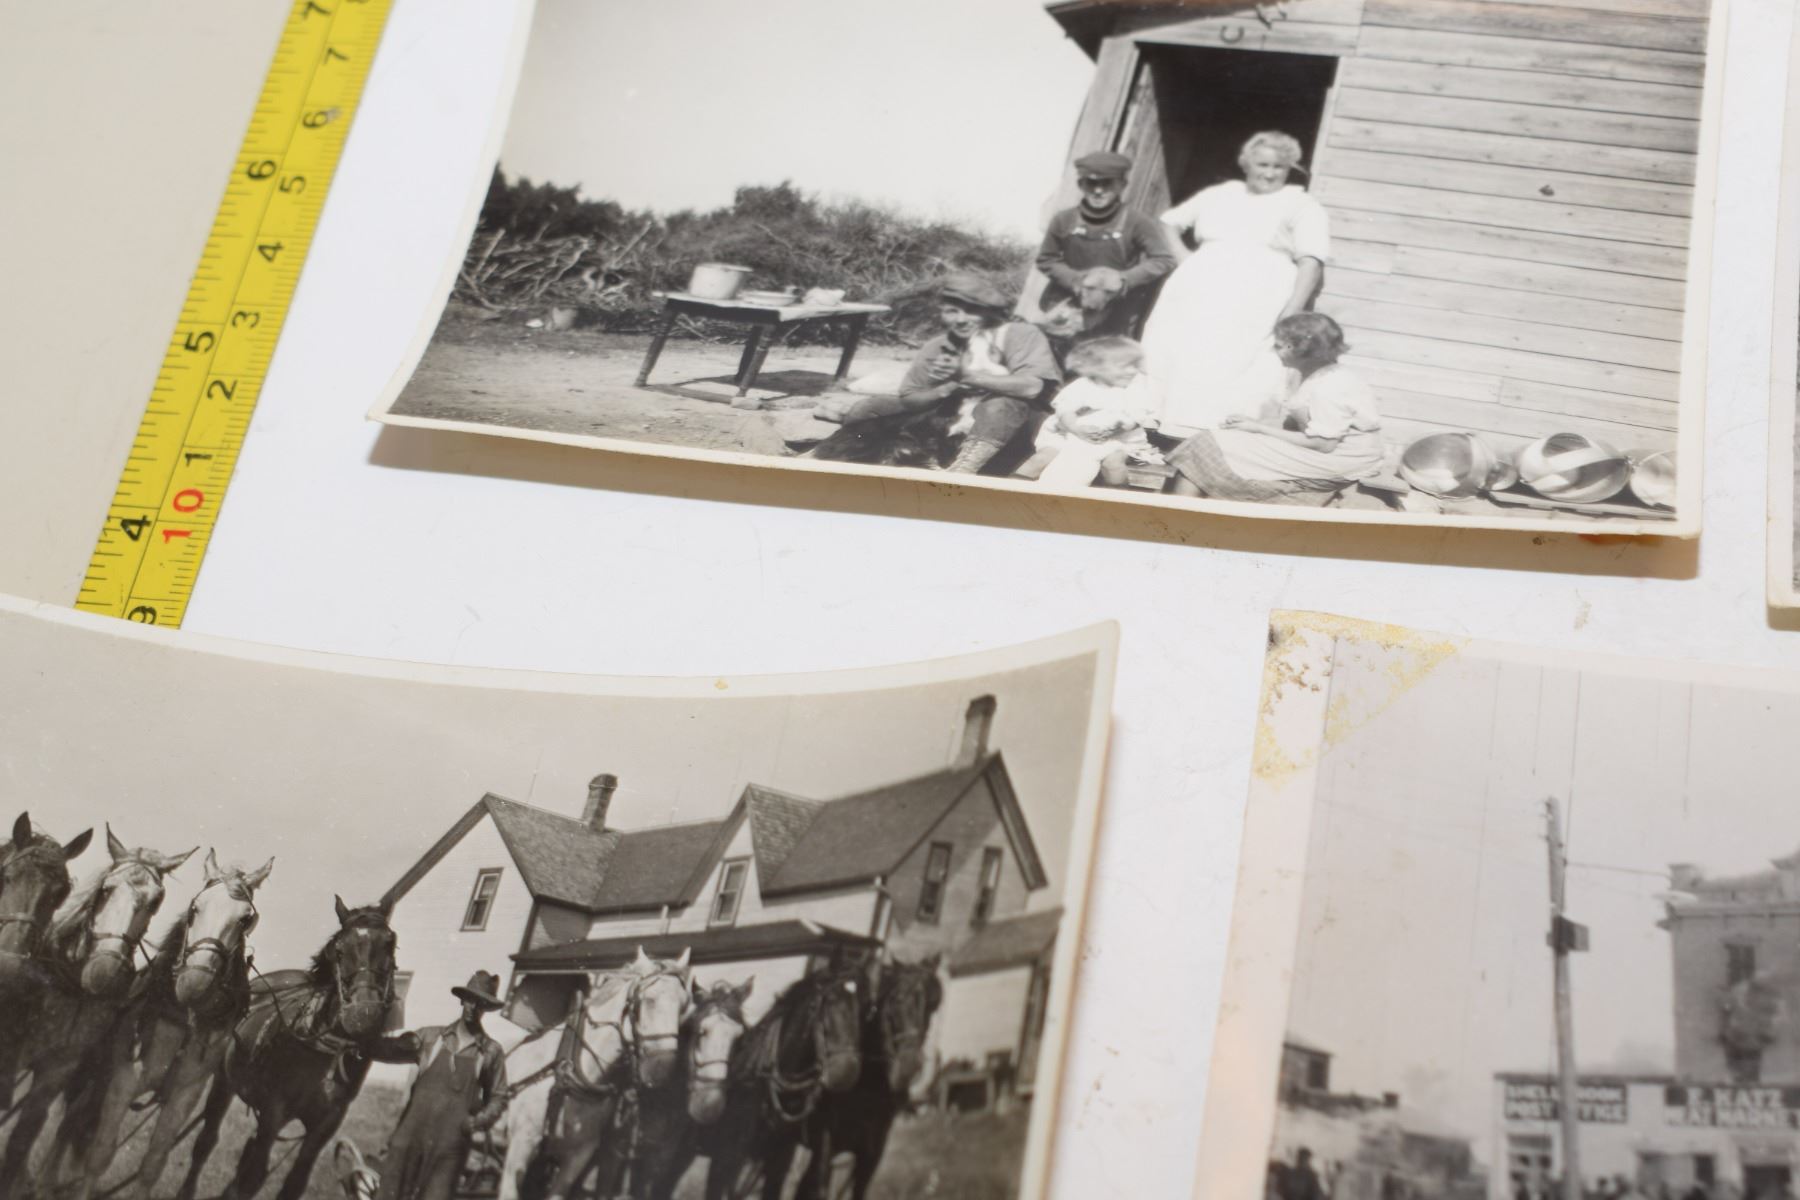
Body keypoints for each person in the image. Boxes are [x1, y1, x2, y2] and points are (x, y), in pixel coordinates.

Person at [1140, 129, 1330, 435]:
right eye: (1263, 165)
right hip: (1198, 285)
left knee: (1234, 356)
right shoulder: (1222, 194)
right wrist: (1185, 258)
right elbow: (1169, 222)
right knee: (1179, 344)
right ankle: (1160, 423)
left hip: (1258, 292)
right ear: (1247, 164)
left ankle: (1212, 430)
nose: (1269, 174)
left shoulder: (1300, 204)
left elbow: (1312, 261)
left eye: (1279, 167)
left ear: (1289, 169)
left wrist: (1293, 310)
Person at [827, 273, 1062, 474]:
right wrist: (945, 388)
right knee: (869, 408)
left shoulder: (1020, 334)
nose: (960, 320)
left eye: (972, 312)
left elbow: (1032, 387)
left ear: (989, 312)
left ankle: (961, 472)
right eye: (951, 311)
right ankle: (847, 464)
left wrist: (967, 376)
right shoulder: (939, 345)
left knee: (998, 405)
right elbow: (910, 397)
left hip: (1014, 423)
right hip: (953, 419)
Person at [1165, 312, 1381, 504]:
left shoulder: (1332, 385)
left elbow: (1323, 444)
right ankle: (1181, 513)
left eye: (1279, 346)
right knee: (1216, 439)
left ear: (1302, 349)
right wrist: (1254, 423)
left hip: (1339, 460)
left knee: (1209, 443)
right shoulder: (1308, 374)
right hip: (1320, 448)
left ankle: (1180, 515)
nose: (1273, 350)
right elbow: (1301, 422)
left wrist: (1260, 429)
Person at [372, 971, 510, 1200]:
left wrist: (477, 1121)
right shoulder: (430, 1038)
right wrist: (361, 1038)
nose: (473, 1007)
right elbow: (387, 1050)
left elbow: (499, 1096)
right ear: (462, 1000)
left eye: (480, 1003)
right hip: (409, 1137)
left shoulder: (490, 1051)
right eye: (470, 1000)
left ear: (486, 1008)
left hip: (450, 1147)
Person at [1035, 150, 1176, 345]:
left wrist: (1124, 281)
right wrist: (1076, 280)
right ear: (1081, 184)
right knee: (1050, 352)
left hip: (1114, 311)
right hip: (1065, 304)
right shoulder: (1063, 220)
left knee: (1101, 357)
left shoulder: (1137, 222)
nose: (1098, 191)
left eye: (1107, 183)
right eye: (1091, 183)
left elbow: (1164, 260)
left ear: (1122, 185)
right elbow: (1046, 259)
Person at [1018, 336, 1159, 489]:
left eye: (1135, 366)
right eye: (1124, 366)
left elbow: (1138, 417)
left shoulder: (1135, 390)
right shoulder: (1082, 386)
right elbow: (1065, 411)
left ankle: (1115, 497)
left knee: (1113, 465)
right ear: (1097, 367)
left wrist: (1119, 427)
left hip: (1119, 439)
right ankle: (1012, 491)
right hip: (1070, 433)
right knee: (1041, 459)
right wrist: (1076, 428)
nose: (1132, 371)